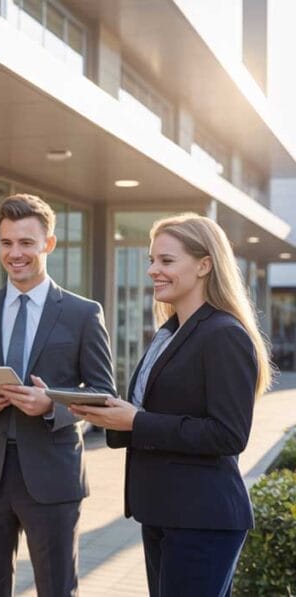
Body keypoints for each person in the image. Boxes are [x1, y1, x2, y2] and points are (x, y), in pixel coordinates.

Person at [71, 213, 271, 597]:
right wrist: (102, 411)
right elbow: (149, 412)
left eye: (165, 261)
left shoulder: (223, 334)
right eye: (151, 260)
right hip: (164, 513)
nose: (152, 271)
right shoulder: (170, 332)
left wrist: (138, 421)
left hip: (202, 520)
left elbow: (229, 435)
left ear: (204, 265)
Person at [0, 194, 116, 597]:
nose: (15, 253)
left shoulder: (83, 313)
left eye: (26, 243)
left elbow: (103, 392)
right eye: (7, 243)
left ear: (49, 244)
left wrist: (52, 405)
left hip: (52, 476)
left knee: (57, 589)